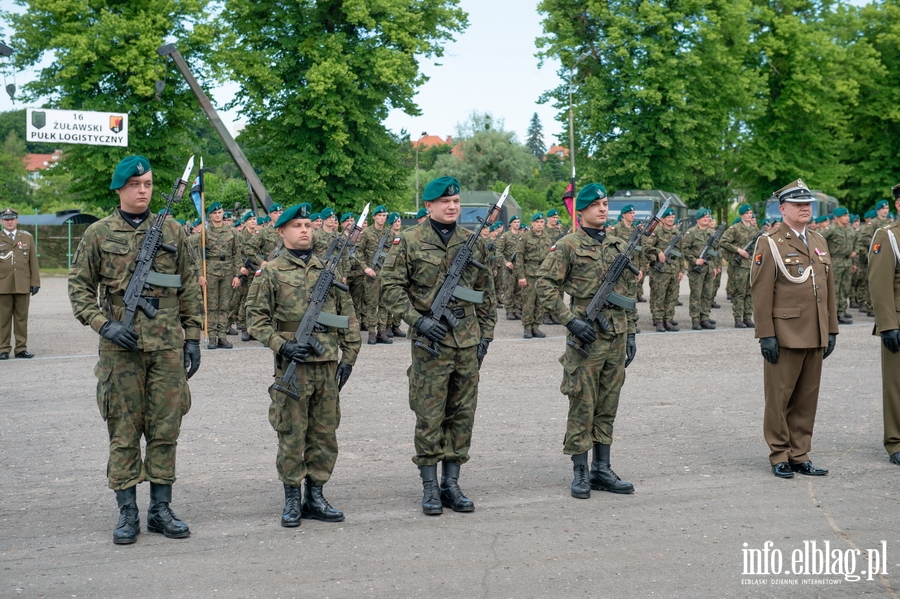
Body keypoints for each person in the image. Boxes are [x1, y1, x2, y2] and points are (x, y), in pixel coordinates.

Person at [68, 155, 202, 544]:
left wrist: (192, 337)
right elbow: (79, 291)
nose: (143, 191)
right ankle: (128, 512)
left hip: (167, 350)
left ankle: (160, 510)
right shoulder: (97, 233)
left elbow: (189, 285)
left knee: (165, 430)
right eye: (135, 185)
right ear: (119, 188)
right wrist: (104, 325)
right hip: (120, 351)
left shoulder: (174, 231)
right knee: (123, 433)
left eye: (147, 184)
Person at [381, 176, 496, 516]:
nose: (452, 207)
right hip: (431, 344)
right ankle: (430, 485)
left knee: (462, 415)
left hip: (467, 341)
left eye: (457, 201)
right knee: (430, 416)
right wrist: (418, 321)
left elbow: (485, 294)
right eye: (445, 202)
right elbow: (390, 288)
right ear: (429, 206)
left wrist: (486, 336)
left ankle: (452, 483)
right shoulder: (410, 242)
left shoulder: (472, 242)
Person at [246, 202, 360, 526]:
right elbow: (255, 319)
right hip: (292, 368)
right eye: (297, 225)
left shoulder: (329, 270)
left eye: (308, 225)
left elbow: (348, 318)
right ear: (281, 232)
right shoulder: (271, 271)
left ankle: (317, 496)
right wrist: (282, 344)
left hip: (326, 365)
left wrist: (349, 357)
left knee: (324, 434)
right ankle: (292, 498)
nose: (305, 230)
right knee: (292, 433)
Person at [536, 182, 636, 499]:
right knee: (582, 403)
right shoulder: (567, 245)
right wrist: (570, 321)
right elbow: (545, 286)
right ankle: (580, 470)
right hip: (586, 335)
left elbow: (628, 294)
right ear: (581, 212)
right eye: (596, 205)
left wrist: (631, 332)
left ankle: (602, 469)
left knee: (608, 403)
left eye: (606, 203)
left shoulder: (620, 245)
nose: (603, 209)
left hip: (617, 334)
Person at [750, 179, 838, 479]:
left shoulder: (818, 241)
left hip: (815, 330)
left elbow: (828, 289)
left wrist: (832, 329)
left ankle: (800, 453)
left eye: (808, 204)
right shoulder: (770, 242)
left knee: (807, 397)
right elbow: (761, 292)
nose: (805, 208)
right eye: (798, 204)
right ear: (782, 208)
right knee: (780, 397)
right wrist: (766, 334)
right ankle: (779, 453)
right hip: (785, 332)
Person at [868, 183, 900, 466]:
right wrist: (887, 324)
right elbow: (879, 284)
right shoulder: (888, 236)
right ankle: (896, 441)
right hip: (899, 321)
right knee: (897, 384)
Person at [0, 208, 40, 359]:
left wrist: (35, 282)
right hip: (2, 285)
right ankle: (3, 349)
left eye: (12, 219)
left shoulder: (27, 238)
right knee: (3, 319)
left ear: (16, 220)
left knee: (22, 318)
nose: (9, 222)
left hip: (23, 283)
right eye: (6, 219)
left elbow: (33, 262)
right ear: (2, 221)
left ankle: (21, 348)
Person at [203, 202, 242, 349]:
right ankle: (212, 336)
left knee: (225, 305)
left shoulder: (231, 232)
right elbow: (200, 255)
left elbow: (237, 254)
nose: (218, 215)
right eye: (215, 213)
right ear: (210, 215)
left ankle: (222, 336)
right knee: (212, 305)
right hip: (211, 271)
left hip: (227, 270)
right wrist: (201, 274)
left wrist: (237, 275)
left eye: (220, 212)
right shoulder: (205, 233)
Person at [356, 205, 392, 344]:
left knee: (385, 304)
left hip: (386, 274)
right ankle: (371, 332)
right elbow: (358, 252)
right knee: (371, 304)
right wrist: (365, 268)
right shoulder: (367, 233)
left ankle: (381, 332)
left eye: (384, 216)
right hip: (371, 275)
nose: (382, 218)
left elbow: (395, 252)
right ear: (374, 217)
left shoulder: (390, 234)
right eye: (380, 215)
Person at [718, 204, 758, 329]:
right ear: (741, 215)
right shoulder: (734, 228)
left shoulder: (754, 230)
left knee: (750, 292)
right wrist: (738, 250)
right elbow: (723, 242)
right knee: (739, 293)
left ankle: (747, 317)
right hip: (739, 265)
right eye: (746, 213)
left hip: (751, 264)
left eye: (750, 213)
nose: (749, 215)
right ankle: (738, 318)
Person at [515, 212, 553, 339]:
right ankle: (527, 327)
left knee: (540, 302)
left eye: (541, 222)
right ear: (532, 223)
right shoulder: (525, 237)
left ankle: (536, 326)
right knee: (528, 302)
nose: (539, 224)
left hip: (542, 274)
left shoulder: (547, 237)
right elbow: (519, 257)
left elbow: (550, 257)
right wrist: (521, 276)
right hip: (529, 273)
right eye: (537, 222)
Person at [644, 207, 682, 332]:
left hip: (674, 270)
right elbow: (647, 246)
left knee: (672, 296)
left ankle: (668, 320)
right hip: (661, 271)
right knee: (659, 296)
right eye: (668, 217)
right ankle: (659, 320)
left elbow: (681, 253)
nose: (671, 219)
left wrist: (682, 270)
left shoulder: (677, 233)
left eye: (672, 217)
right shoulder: (657, 232)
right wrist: (658, 251)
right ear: (663, 219)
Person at [681, 208, 719, 330]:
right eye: (704, 217)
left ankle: (705, 318)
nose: (707, 219)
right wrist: (694, 260)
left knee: (707, 294)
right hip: (696, 270)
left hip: (708, 268)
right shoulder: (691, 233)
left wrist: (714, 266)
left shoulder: (711, 233)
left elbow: (715, 251)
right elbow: (684, 250)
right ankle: (695, 319)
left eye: (708, 217)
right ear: (698, 219)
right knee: (696, 295)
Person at [822, 207, 857, 324]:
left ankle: (841, 311)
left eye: (847, 216)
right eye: (844, 216)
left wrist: (855, 253)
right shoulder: (831, 229)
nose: (847, 218)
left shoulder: (851, 230)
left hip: (847, 262)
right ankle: (833, 314)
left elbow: (856, 242)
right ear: (837, 218)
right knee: (834, 289)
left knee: (845, 289)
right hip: (835, 262)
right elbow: (818, 239)